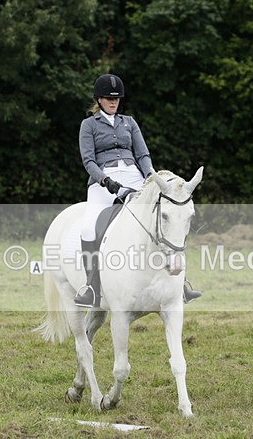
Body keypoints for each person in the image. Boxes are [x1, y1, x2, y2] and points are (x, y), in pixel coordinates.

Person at [74, 73, 202, 308]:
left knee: (161, 219)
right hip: (103, 181)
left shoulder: (129, 122)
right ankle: (92, 287)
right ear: (99, 99)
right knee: (89, 226)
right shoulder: (88, 125)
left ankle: (180, 283)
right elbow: (88, 161)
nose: (113, 102)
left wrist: (150, 179)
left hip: (134, 177)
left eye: (117, 98)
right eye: (108, 98)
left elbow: (142, 155)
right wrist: (105, 180)